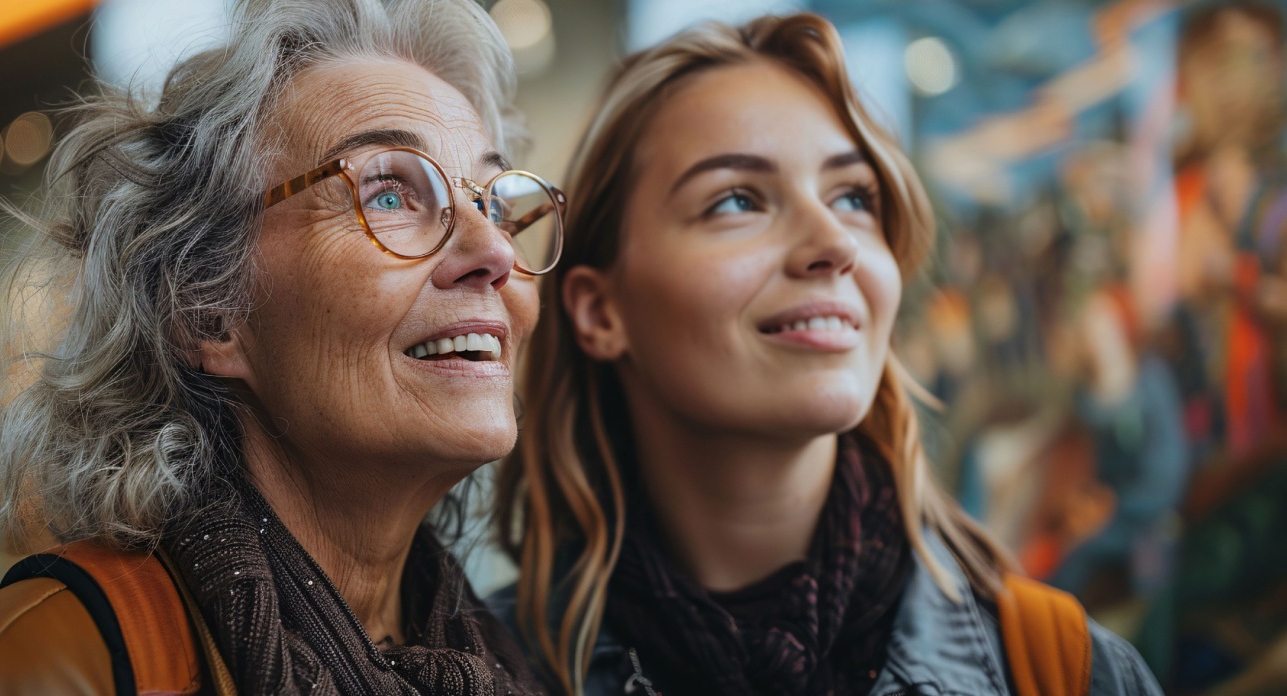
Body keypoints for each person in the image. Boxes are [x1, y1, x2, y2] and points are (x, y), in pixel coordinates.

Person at [0, 0, 563, 693]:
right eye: (389, 193)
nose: (493, 251)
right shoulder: (28, 670)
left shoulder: (517, 663)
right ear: (207, 310)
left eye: (492, 203)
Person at [491, 13, 1161, 696]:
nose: (835, 242)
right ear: (601, 312)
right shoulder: (476, 670)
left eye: (853, 197)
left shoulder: (1066, 669)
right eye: (736, 200)